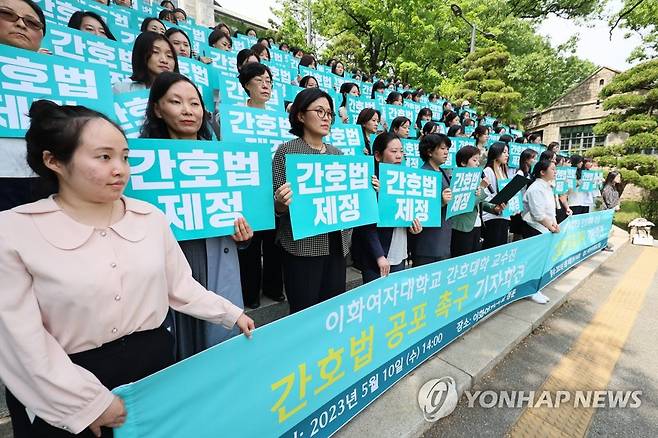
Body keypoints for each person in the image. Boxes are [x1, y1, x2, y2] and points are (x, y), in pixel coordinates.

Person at [0, 99, 254, 438]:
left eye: (124, 157)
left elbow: (180, 285)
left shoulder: (150, 218)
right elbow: (20, 341)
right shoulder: (14, 231)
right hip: (60, 382)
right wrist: (87, 403)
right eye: (104, 157)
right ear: (54, 161)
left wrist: (230, 314)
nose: (120, 168)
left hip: (152, 368)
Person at [140, 72, 255, 358]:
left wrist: (244, 236)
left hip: (214, 256)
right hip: (167, 260)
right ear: (157, 108)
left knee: (217, 340)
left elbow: (240, 215)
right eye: (176, 102)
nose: (188, 110)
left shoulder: (223, 159)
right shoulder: (140, 161)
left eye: (194, 103)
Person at [272, 89, 357, 313]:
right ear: (300, 116)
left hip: (336, 246)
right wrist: (280, 202)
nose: (326, 117)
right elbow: (277, 207)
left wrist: (367, 189)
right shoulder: (286, 152)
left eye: (329, 113)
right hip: (302, 248)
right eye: (319, 111)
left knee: (333, 309)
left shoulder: (338, 155)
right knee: (304, 309)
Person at [0, 0, 52, 213]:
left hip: (45, 179)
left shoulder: (62, 75)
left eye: (32, 22)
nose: (21, 24)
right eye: (7, 14)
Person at [352, 132, 422, 283]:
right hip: (378, 257)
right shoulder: (369, 182)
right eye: (393, 151)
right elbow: (366, 225)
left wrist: (414, 228)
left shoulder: (407, 181)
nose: (399, 156)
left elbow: (407, 214)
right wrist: (379, 255)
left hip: (400, 251)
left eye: (401, 151)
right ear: (378, 155)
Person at [408, 134, 453, 266]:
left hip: (443, 237)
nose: (446, 152)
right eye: (442, 148)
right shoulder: (422, 174)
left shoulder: (443, 171)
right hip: (428, 241)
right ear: (429, 152)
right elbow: (418, 207)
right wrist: (441, 202)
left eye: (447, 149)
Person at [450, 146, 503, 257]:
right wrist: (482, 187)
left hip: (477, 225)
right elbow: (465, 204)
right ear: (463, 163)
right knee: (462, 259)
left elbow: (479, 203)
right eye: (474, 160)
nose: (477, 163)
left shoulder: (475, 178)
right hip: (463, 227)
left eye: (478, 160)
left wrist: (493, 208)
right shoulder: (456, 180)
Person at [522, 159, 559, 304]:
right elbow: (538, 214)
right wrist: (551, 226)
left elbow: (550, 211)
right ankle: (530, 291)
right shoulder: (536, 188)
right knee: (534, 261)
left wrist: (554, 224)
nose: (555, 172)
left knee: (541, 261)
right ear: (542, 172)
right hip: (534, 228)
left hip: (545, 228)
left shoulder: (547, 187)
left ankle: (536, 288)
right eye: (552, 169)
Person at [112, 31, 178, 93]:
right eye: (155, 52)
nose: (164, 60)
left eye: (169, 56)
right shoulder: (123, 89)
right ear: (141, 54)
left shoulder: (184, 91)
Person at [481, 142, 513, 249]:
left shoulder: (504, 171)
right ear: (496, 152)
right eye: (504, 152)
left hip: (503, 215)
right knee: (492, 247)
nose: (507, 155)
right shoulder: (488, 171)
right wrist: (495, 207)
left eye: (508, 152)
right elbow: (485, 195)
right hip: (492, 216)